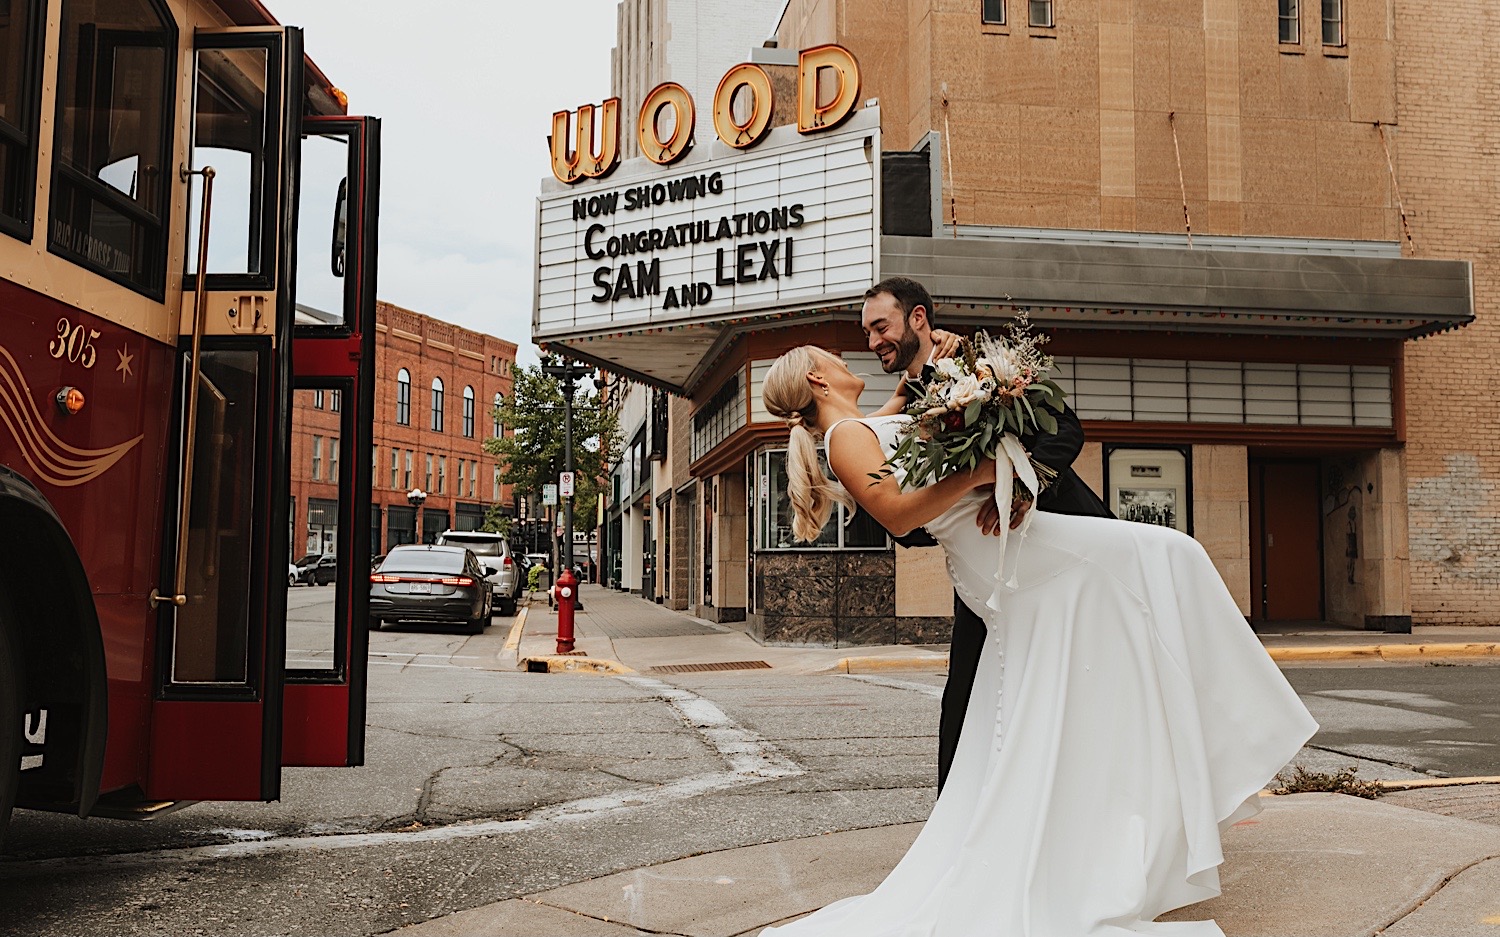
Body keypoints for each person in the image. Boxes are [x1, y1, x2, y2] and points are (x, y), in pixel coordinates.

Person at [758, 346, 1317, 936]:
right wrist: (978, 472)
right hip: (998, 551)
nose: (849, 358)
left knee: (1108, 649)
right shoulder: (845, 435)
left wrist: (961, 388)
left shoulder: (858, 421)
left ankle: (1137, 803)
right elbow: (896, 514)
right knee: (1170, 554)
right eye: (832, 357)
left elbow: (903, 412)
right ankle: (1242, 729)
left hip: (1008, 536)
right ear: (818, 377)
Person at [861, 276, 1112, 791]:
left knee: (1089, 676)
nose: (873, 342)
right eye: (866, 333)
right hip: (987, 568)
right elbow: (911, 526)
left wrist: (1025, 487)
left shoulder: (984, 361)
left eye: (880, 327)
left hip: (1063, 538)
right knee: (968, 691)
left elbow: (1066, 429)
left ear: (918, 319)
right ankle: (955, 817)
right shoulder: (900, 411)